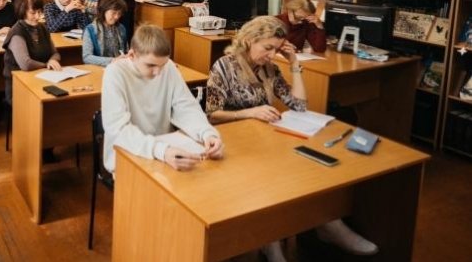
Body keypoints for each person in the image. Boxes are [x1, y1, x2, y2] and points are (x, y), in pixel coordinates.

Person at [205, 16, 377, 261]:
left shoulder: (269, 69)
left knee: (305, 170)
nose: (271, 55)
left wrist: (294, 63)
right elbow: (212, 115)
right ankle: (272, 241)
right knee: (270, 177)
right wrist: (249, 112)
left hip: (264, 141)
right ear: (250, 40)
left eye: (276, 49)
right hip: (235, 145)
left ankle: (328, 224)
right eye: (267, 48)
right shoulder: (224, 66)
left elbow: (299, 106)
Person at [101, 24, 223, 174]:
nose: (158, 72)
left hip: (165, 148)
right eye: (150, 65)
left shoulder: (168, 67)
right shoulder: (115, 73)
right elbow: (118, 129)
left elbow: (186, 107)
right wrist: (161, 150)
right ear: (132, 55)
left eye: (162, 65)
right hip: (129, 153)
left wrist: (207, 133)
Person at [2, 0, 61, 104]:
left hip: (42, 78)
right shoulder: (17, 32)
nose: (38, 17)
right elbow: (26, 64)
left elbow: (55, 53)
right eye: (33, 13)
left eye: (40, 12)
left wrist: (53, 60)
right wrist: (47, 65)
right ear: (22, 12)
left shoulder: (42, 28)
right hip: (19, 84)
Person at [82, 0, 128, 67]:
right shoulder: (90, 30)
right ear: (104, 11)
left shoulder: (121, 28)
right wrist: (112, 60)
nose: (116, 17)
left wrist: (128, 56)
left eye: (119, 13)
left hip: (118, 67)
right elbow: (87, 57)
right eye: (113, 13)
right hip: (99, 68)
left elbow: (125, 51)